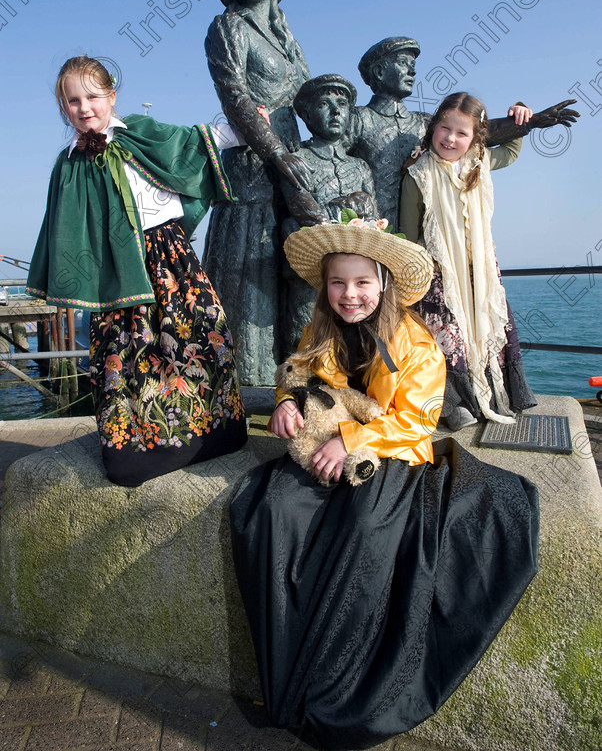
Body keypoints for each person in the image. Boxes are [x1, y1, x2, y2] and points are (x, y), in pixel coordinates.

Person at [230, 219, 539, 750]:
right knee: (270, 512)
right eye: (338, 284)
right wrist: (285, 401)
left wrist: (349, 440)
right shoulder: (320, 327)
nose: (350, 295)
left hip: (389, 452)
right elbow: (295, 371)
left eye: (362, 283)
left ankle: (341, 687)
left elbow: (416, 421)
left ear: (384, 282)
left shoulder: (417, 344)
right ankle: (287, 670)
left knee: (366, 526)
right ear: (326, 288)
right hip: (327, 446)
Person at [27, 55, 249, 486]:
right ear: (63, 108)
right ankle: (139, 453)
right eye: (73, 101)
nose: (84, 107)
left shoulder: (143, 134)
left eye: (93, 96)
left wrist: (249, 122)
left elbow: (200, 141)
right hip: (116, 274)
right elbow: (62, 228)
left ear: (112, 96)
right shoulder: (68, 164)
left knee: (202, 332)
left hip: (171, 259)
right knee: (130, 353)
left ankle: (216, 433)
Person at [203, 0, 311, 386]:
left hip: (294, 171)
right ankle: (247, 385)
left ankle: (299, 380)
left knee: (296, 276)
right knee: (251, 277)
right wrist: (276, 156)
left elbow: (315, 104)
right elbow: (236, 98)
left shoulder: (287, 38)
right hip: (251, 172)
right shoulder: (228, 26)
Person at [400, 92, 537, 430]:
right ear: (433, 128)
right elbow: (406, 232)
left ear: (476, 137)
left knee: (489, 326)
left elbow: (511, 151)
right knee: (448, 337)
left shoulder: (479, 161)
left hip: (481, 271)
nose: (450, 138)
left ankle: (496, 393)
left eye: (462, 133)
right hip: (438, 272)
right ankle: (454, 405)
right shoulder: (419, 173)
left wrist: (518, 107)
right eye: (444, 128)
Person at [349, 36, 580, 231]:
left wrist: (529, 121)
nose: (412, 70)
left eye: (413, 65)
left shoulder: (424, 123)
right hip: (373, 238)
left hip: (426, 242)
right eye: (402, 62)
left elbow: (481, 132)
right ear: (379, 71)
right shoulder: (358, 120)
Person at [280, 73, 378, 354]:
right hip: (311, 274)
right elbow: (303, 213)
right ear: (308, 115)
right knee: (307, 344)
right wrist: (353, 203)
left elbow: (375, 219)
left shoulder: (360, 167)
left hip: (354, 280)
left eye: (342, 105)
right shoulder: (299, 160)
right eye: (325, 104)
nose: (336, 111)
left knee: (354, 346)